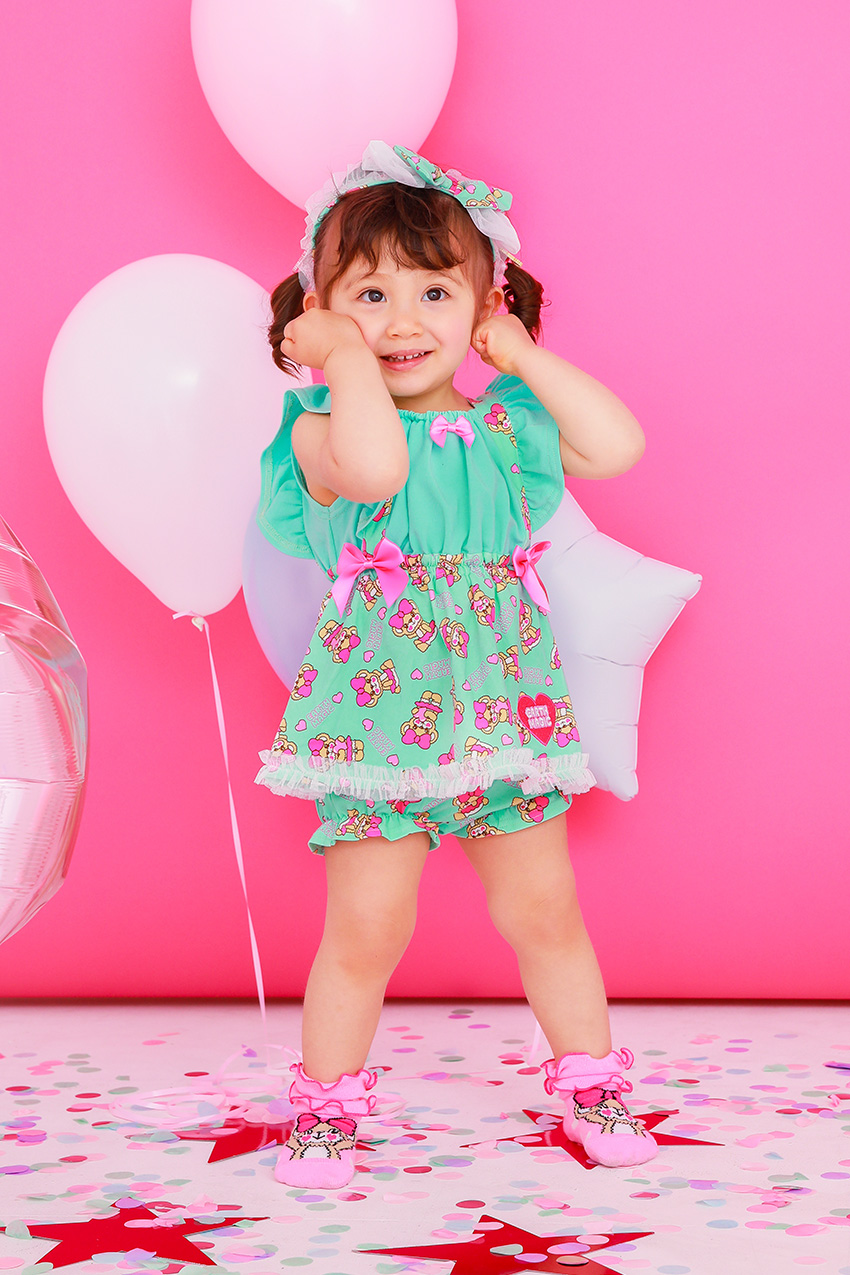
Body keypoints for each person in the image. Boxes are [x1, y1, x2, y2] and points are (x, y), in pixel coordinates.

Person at [254, 141, 656, 1188]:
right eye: (369, 295)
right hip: (380, 718)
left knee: (544, 911)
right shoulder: (318, 431)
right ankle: (327, 1109)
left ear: (482, 300)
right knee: (367, 927)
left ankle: (592, 1083)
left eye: (435, 292)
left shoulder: (506, 427)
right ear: (321, 309)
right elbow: (377, 466)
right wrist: (341, 364)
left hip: (503, 707)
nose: (402, 321)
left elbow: (615, 445)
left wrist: (517, 353)